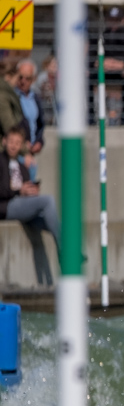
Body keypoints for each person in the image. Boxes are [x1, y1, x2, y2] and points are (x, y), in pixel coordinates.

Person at [0, 123, 60, 287]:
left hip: (22, 205)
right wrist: (20, 191)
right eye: (11, 141)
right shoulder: (1, 161)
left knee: (51, 219)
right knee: (48, 201)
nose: (13, 145)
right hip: (7, 206)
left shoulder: (21, 165)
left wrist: (32, 190)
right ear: (4, 141)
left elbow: (26, 184)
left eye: (17, 142)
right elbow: (4, 190)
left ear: (21, 145)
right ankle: (65, 252)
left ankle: (66, 248)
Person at [12, 60, 42, 161]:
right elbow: (11, 123)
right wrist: (23, 142)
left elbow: (39, 123)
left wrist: (39, 141)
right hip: (17, 150)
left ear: (33, 79)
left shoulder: (35, 97)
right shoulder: (12, 97)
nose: (23, 81)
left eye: (27, 78)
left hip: (32, 152)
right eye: (20, 77)